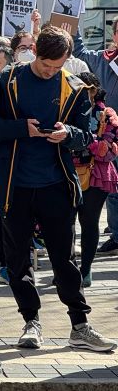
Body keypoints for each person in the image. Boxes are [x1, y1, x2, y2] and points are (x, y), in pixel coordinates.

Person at [0, 25, 115, 352]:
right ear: (35, 53)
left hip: (56, 184)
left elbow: (86, 135)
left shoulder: (74, 86)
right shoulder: (7, 81)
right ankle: (31, 321)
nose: (50, 71)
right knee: (18, 260)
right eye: (46, 65)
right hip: (14, 185)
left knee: (64, 258)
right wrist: (22, 128)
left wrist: (67, 134)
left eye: (57, 67)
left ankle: (80, 325)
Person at [72, 18, 118, 255]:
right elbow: (78, 51)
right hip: (107, 135)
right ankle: (116, 235)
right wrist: (72, 17)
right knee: (113, 192)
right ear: (115, 35)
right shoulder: (102, 59)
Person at [73, 71, 118, 287]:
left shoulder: (106, 114)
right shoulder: (65, 110)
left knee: (89, 222)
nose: (84, 94)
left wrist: (81, 141)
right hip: (67, 172)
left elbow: (108, 149)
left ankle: (85, 269)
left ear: (96, 90)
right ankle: (68, 268)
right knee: (65, 223)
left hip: (97, 175)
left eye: (88, 90)